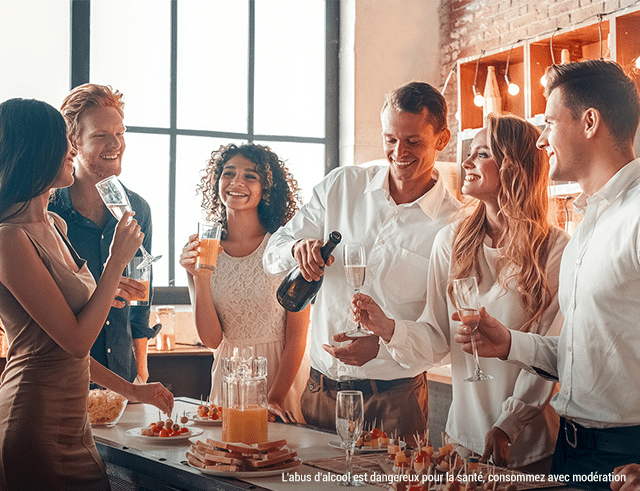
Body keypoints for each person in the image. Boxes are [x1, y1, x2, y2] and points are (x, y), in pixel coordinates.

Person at [454, 60, 640, 490]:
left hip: (626, 459)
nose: (541, 140)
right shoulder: (587, 228)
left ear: (589, 122)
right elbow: (584, 354)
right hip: (572, 451)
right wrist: (510, 343)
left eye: (550, 123)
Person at [353, 113, 569, 472]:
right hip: (461, 440)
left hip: (529, 445)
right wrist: (389, 328)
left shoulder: (555, 249)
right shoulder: (451, 241)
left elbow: (553, 352)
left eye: (482, 154)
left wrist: (507, 425)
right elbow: (437, 336)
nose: (466, 162)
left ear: (514, 167)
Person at [263, 81, 461, 442]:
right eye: (390, 139)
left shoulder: (455, 225)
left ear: (442, 139)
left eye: (413, 141)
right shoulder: (341, 186)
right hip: (319, 394)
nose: (399, 152)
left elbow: (443, 336)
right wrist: (298, 250)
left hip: (395, 403)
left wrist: (385, 340)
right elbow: (273, 250)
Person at [0, 98, 173, 491]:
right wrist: (115, 263)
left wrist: (130, 389)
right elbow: (76, 343)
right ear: (36, 151)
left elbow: (64, 344)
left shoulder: (54, 225)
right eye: (64, 141)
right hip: (33, 422)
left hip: (76, 424)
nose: (72, 150)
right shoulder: (8, 239)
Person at [179, 143, 310, 423]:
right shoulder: (204, 250)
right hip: (228, 382)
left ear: (266, 189)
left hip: (280, 382)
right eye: (228, 173)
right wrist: (199, 277)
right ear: (217, 182)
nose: (236, 182)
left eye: (250, 176)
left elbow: (297, 338)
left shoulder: (283, 248)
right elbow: (212, 339)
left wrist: (273, 398)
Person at [49, 83, 159, 385]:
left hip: (122, 376)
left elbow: (141, 300)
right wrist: (104, 288)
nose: (116, 144)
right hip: (63, 377)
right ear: (73, 142)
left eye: (120, 133)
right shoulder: (48, 211)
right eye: (100, 135)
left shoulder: (138, 209)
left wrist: (141, 370)